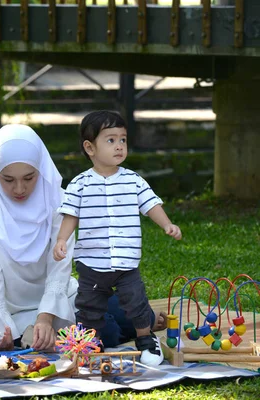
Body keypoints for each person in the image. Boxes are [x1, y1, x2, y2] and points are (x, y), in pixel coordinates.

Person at [0, 124, 167, 354]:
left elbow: (59, 267)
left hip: (59, 297)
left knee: (116, 313)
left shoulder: (59, 198)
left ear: (41, 168)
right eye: (7, 180)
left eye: (29, 177)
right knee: (106, 333)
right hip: (12, 311)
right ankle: (126, 322)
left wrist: (46, 317)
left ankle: (133, 318)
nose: (19, 188)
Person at [53, 110, 181, 366]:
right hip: (91, 262)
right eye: (111, 140)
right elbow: (71, 215)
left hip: (126, 262)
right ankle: (89, 343)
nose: (119, 146)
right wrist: (61, 240)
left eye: (122, 139)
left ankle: (146, 339)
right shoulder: (80, 184)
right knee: (89, 306)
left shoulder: (134, 180)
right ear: (90, 147)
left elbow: (150, 204)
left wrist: (167, 223)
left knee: (136, 302)